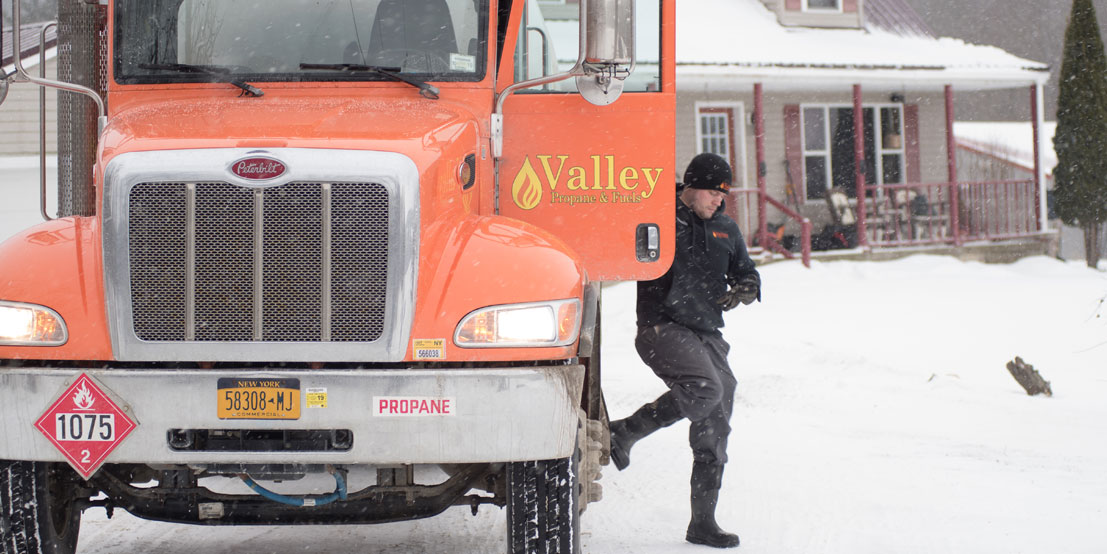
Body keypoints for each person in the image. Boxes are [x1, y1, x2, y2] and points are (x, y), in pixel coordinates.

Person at [608, 152, 760, 549]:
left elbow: (746, 271)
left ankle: (702, 523)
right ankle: (625, 431)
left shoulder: (726, 228)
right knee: (705, 388)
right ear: (690, 188)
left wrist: (747, 287)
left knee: (718, 413)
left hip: (707, 332)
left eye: (723, 194)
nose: (718, 201)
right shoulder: (659, 219)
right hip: (662, 327)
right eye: (712, 192)